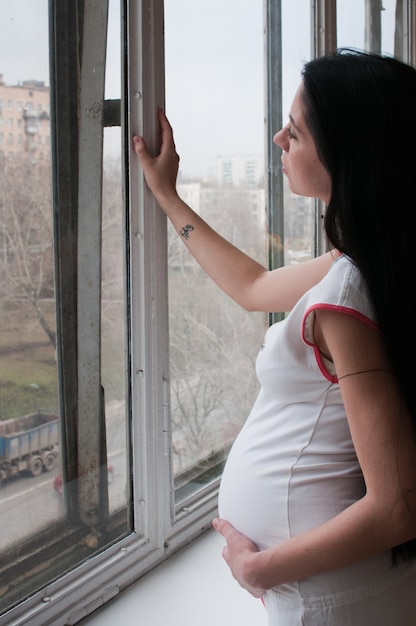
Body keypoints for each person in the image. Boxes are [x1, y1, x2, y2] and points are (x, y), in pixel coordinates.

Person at [133, 48, 416, 625]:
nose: (278, 140)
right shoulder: (375, 261)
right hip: (341, 585)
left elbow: (399, 506)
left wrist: (260, 569)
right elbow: (254, 284)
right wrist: (168, 197)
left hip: (326, 594)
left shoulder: (346, 296)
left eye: (297, 131)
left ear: (350, 154)